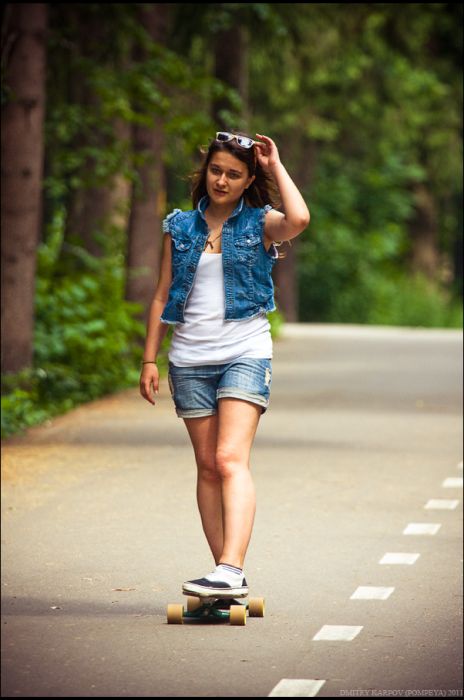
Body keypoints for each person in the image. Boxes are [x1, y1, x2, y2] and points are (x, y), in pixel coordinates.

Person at [140, 131, 310, 601]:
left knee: (229, 459)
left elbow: (300, 218)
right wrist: (149, 358)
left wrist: (275, 164)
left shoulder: (260, 223)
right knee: (207, 468)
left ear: (248, 179)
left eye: (234, 174)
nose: (222, 180)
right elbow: (161, 294)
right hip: (189, 360)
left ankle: (230, 569)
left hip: (244, 352)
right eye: (216, 170)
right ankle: (225, 575)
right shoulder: (179, 227)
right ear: (205, 172)